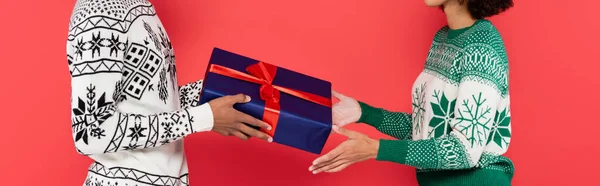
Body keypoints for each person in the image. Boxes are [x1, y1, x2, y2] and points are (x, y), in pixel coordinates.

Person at [66, 0, 273, 185]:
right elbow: (91, 132)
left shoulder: (139, 6)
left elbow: (155, 102)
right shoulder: (99, 13)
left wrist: (219, 92)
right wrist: (203, 118)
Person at [309, 0, 514, 185]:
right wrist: (363, 113)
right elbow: (425, 130)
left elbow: (465, 151)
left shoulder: (483, 45)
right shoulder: (443, 38)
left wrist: (375, 148)